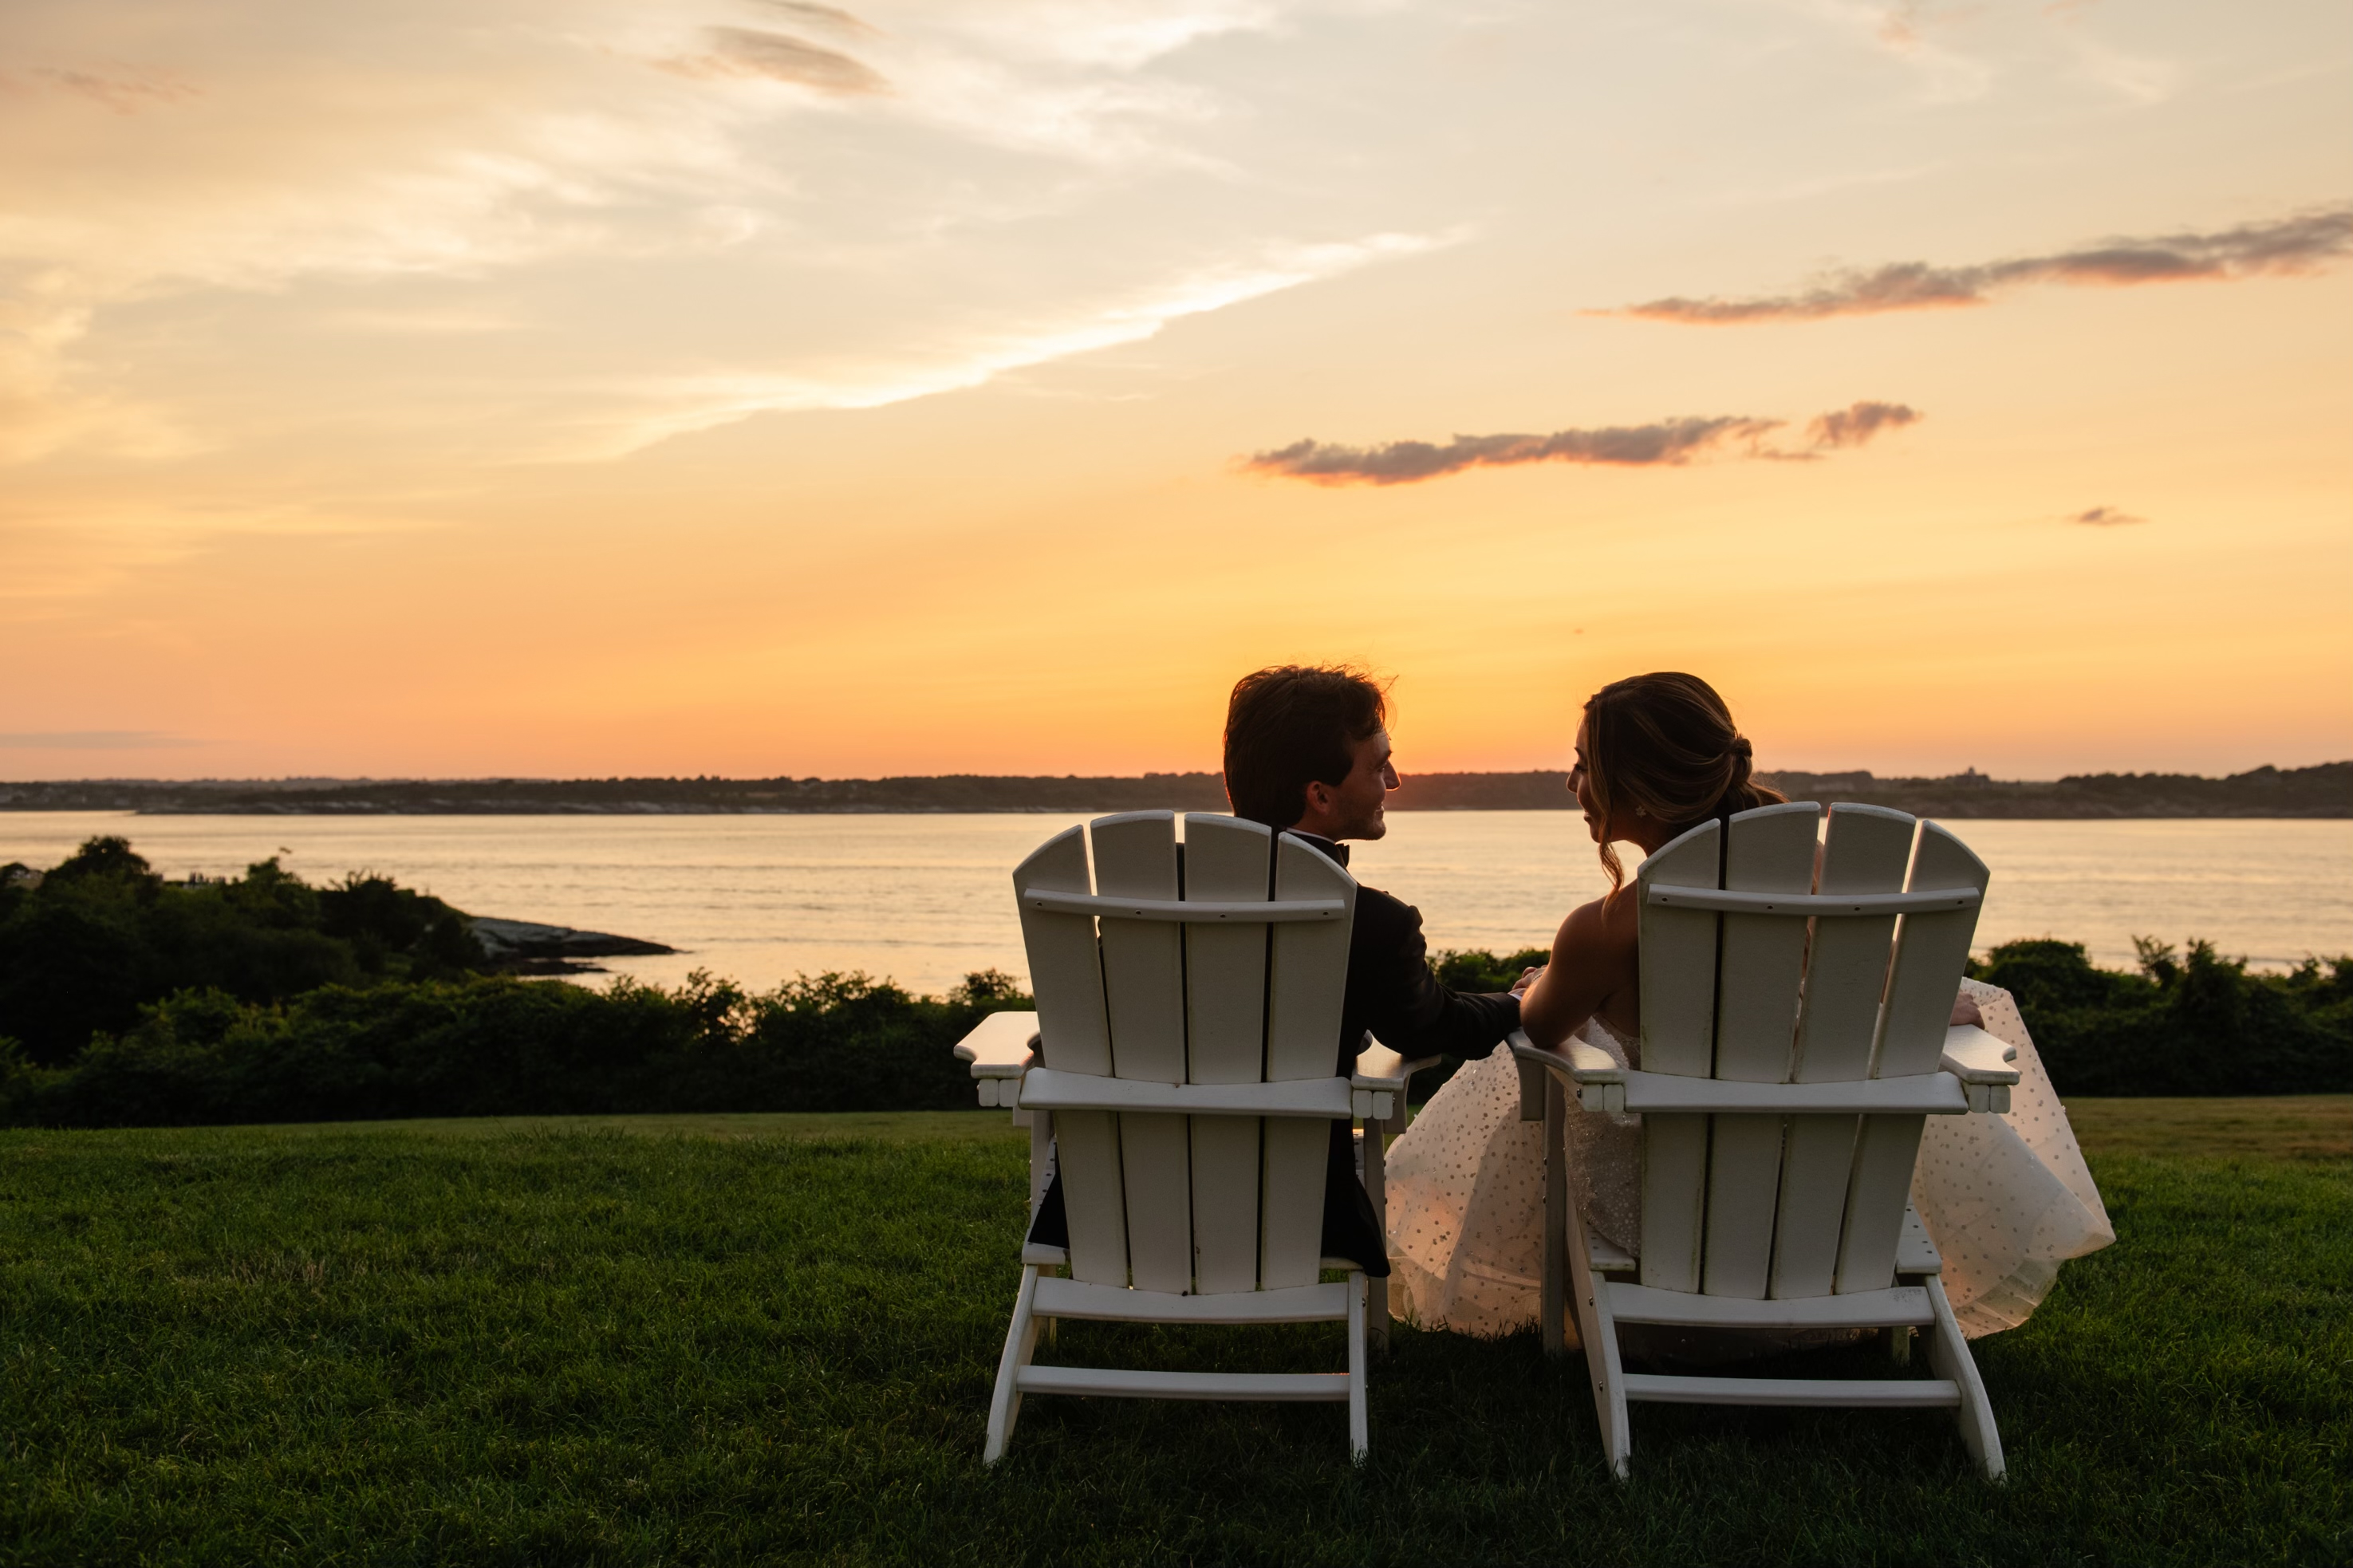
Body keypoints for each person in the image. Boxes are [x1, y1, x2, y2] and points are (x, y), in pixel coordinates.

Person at [1383, 672, 2113, 1342]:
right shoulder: (1831, 888)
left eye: (1583, 766)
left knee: (1554, 1072)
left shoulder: (1605, 928)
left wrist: (1543, 981)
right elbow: (1904, 1000)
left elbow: (1540, 1030)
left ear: (1638, 787)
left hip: (1665, 1224)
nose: (1572, 783)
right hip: (1832, 1217)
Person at [1024, 664, 1522, 1275]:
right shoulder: (1372, 923)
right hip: (1299, 1213)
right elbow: (1433, 1026)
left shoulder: (1145, 897)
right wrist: (1518, 1000)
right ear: (1320, 794)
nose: (1394, 779)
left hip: (1114, 1207)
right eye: (1378, 765)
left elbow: (1074, 1028)